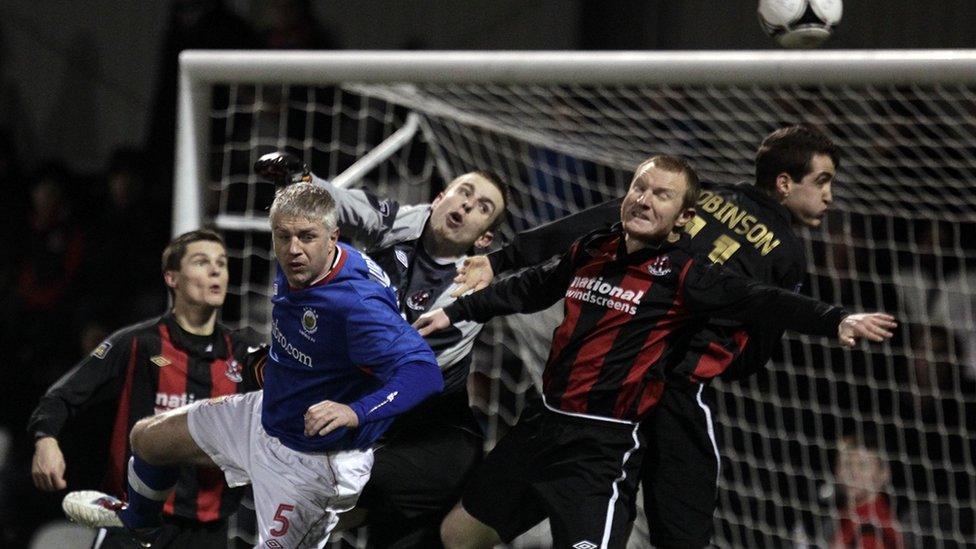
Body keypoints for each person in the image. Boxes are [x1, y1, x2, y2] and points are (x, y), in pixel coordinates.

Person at [414, 154, 896, 548]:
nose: (644, 200)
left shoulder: (687, 276)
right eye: (639, 188)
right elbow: (534, 287)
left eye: (661, 195)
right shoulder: (594, 248)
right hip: (539, 426)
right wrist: (458, 311)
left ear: (685, 217)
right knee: (456, 537)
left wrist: (836, 318)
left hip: (599, 452)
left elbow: (764, 300)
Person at [60, 183, 443, 548]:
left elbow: (424, 371)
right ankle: (140, 524)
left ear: (333, 237)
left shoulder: (356, 304)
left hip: (314, 465)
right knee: (148, 438)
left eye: (307, 237)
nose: (293, 249)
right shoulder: (301, 263)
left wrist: (354, 411)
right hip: (263, 417)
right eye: (282, 236)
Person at [253, 152, 509, 547]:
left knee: (315, 494)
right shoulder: (400, 221)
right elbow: (338, 203)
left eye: (482, 208)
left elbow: (403, 365)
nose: (466, 205)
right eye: (464, 192)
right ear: (439, 198)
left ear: (485, 238)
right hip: (376, 423)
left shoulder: (469, 291)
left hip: (430, 434)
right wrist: (300, 180)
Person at [28, 229, 261, 548]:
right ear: (172, 278)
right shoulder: (137, 343)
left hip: (208, 533)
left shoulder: (244, 353)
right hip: (133, 524)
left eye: (222, 262)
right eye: (201, 261)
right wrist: (46, 440)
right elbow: (62, 396)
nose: (216, 269)